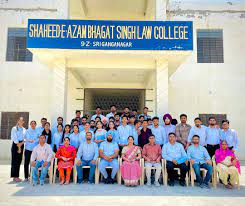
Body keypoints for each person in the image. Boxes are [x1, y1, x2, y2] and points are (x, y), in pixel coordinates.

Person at [10, 117, 26, 182]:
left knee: (19, 161)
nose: (21, 122)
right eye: (20, 120)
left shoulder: (24, 129)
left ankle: (16, 176)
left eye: (22, 121)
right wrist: (19, 147)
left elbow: (25, 138)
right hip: (16, 145)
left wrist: (21, 144)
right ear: (18, 121)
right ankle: (15, 176)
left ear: (23, 122)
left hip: (21, 144)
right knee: (14, 161)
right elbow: (14, 138)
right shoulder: (14, 128)